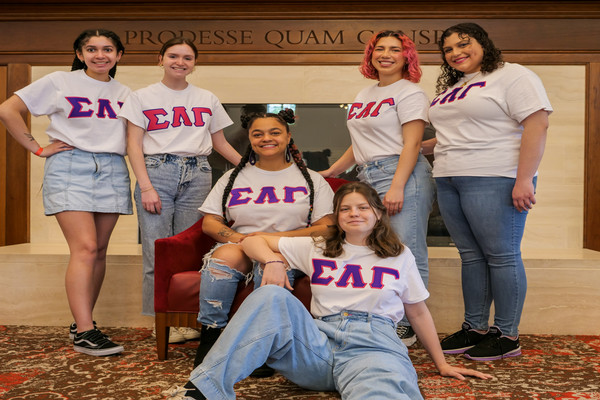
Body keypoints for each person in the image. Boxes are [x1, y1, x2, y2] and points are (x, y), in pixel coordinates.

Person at [168, 181, 491, 400]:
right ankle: (203, 389)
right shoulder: (317, 246)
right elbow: (251, 239)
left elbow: (418, 311)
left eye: (362, 207)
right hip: (316, 347)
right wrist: (273, 262)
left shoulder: (398, 255)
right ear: (337, 216)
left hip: (373, 347)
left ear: (377, 213)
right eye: (346, 209)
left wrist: (441, 364)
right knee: (270, 295)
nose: (354, 214)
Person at [0, 29, 131, 356]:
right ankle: (86, 331)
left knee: (99, 250)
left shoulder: (126, 93)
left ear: (118, 55)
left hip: (113, 167)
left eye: (108, 49)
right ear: (79, 53)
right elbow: (7, 110)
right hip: (71, 165)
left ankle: (82, 322)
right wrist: (37, 148)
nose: (100, 55)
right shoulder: (59, 80)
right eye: (91, 49)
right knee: (85, 247)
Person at [428, 22, 552, 360]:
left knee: (501, 255)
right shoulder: (458, 85)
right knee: (470, 256)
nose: (455, 52)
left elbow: (537, 123)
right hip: (450, 177)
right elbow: (455, 134)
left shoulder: (513, 76)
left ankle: (508, 335)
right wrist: (409, 148)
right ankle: (475, 327)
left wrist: (524, 179)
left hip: (495, 176)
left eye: (463, 44)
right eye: (448, 49)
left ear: (483, 43)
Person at [119, 37, 241, 343]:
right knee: (157, 251)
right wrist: (145, 186)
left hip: (199, 172)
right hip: (156, 172)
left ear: (194, 64)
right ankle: (160, 319)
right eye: (173, 56)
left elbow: (220, 143)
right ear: (160, 59)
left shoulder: (206, 98)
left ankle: (188, 319)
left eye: (187, 58)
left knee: (191, 249)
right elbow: (132, 145)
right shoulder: (142, 96)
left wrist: (253, 167)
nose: (180, 62)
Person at [192, 108, 335, 370]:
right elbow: (210, 222)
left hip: (287, 248)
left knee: (272, 263)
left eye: (275, 132)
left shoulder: (311, 180)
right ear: (250, 139)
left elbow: (326, 227)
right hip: (242, 243)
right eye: (258, 134)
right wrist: (240, 238)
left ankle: (264, 343)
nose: (266, 138)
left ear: (288, 136)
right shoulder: (233, 177)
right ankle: (211, 337)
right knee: (221, 260)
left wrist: (274, 239)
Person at [320, 30, 435, 346]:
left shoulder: (410, 93)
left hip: (401, 174)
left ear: (406, 57)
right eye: (379, 48)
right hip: (368, 176)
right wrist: (332, 170)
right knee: (378, 250)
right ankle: (385, 316)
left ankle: (409, 326)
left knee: (406, 249)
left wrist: (397, 186)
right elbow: (359, 143)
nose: (386, 54)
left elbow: (412, 143)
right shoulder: (364, 94)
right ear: (370, 55)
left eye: (395, 49)